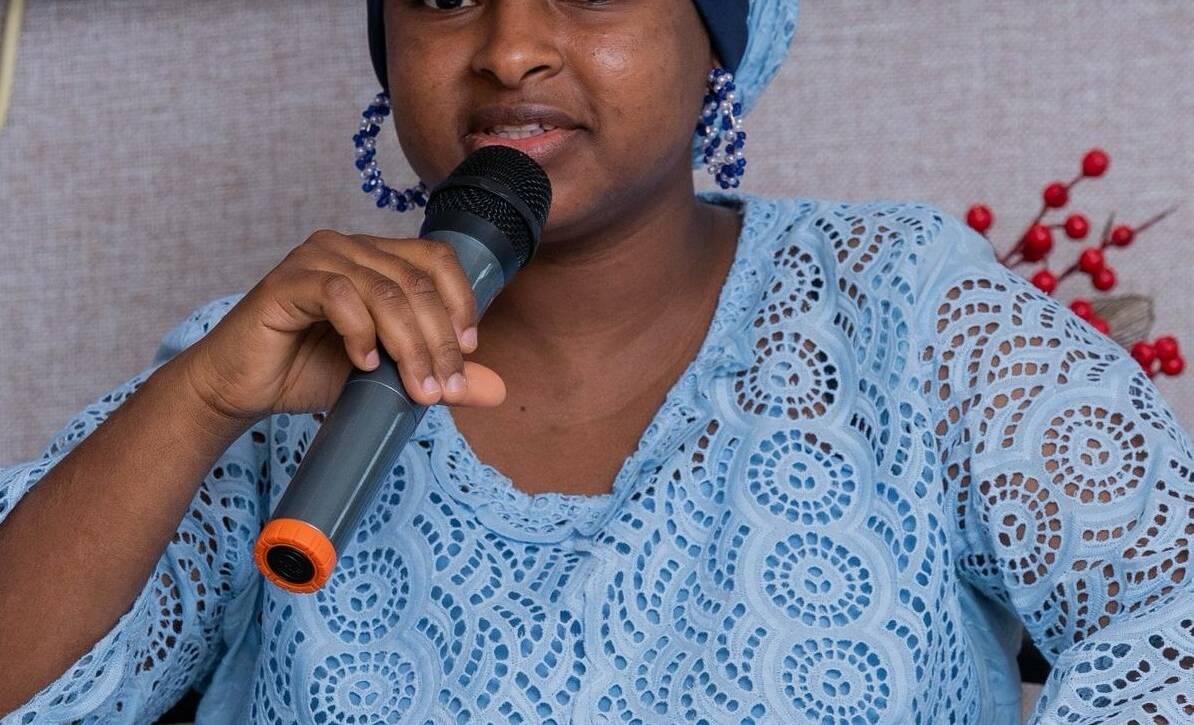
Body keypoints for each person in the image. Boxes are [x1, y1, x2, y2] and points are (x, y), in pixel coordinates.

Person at [2, 1, 1191, 723]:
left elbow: (1170, 613)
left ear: (714, 35)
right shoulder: (266, 366)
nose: (511, 48)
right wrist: (203, 396)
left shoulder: (900, 309)